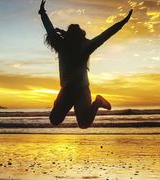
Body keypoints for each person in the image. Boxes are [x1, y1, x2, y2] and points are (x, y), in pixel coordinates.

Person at [39, 0, 132, 129]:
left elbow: (105, 35)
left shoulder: (84, 47)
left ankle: (97, 102)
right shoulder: (63, 45)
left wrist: (122, 23)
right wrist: (42, 13)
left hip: (82, 90)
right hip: (66, 90)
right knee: (54, 120)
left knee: (83, 124)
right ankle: (64, 103)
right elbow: (49, 29)